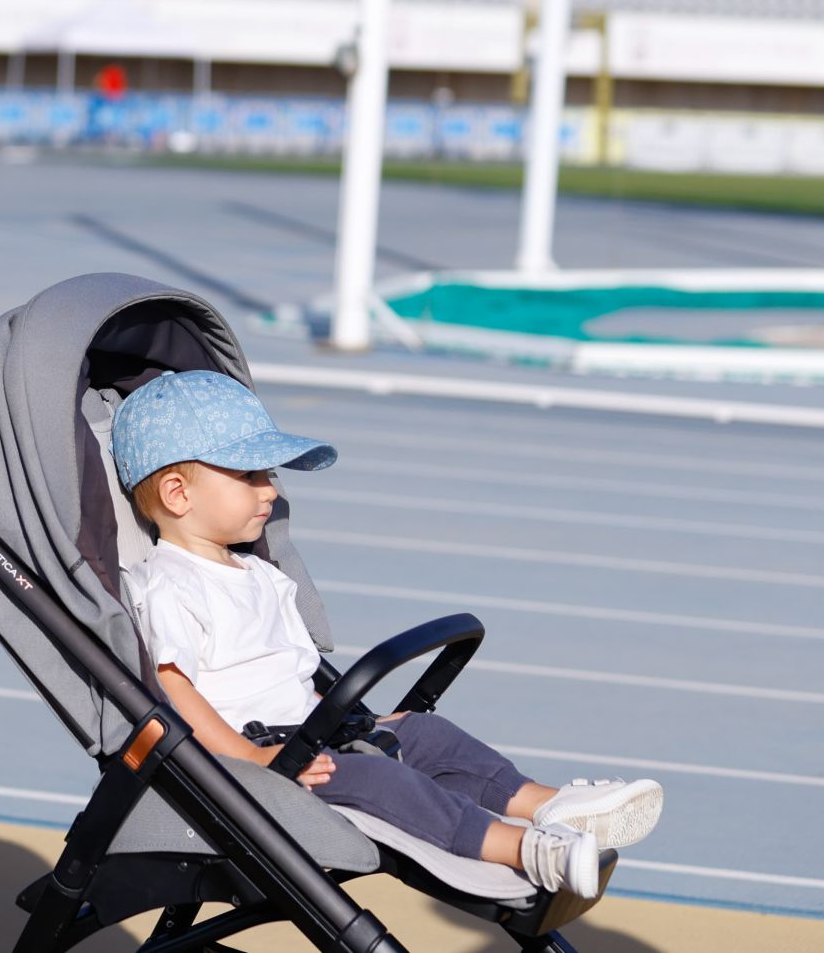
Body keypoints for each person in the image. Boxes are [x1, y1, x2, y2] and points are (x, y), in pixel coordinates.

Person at [111, 370, 663, 899]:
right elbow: (173, 689)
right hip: (258, 759)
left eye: (271, 476)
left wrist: (361, 721)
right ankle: (522, 848)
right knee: (383, 783)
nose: (271, 492)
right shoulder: (169, 584)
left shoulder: (258, 572)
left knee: (426, 733)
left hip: (310, 734)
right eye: (252, 476)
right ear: (179, 495)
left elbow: (290, 671)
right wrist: (250, 761)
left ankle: (547, 804)